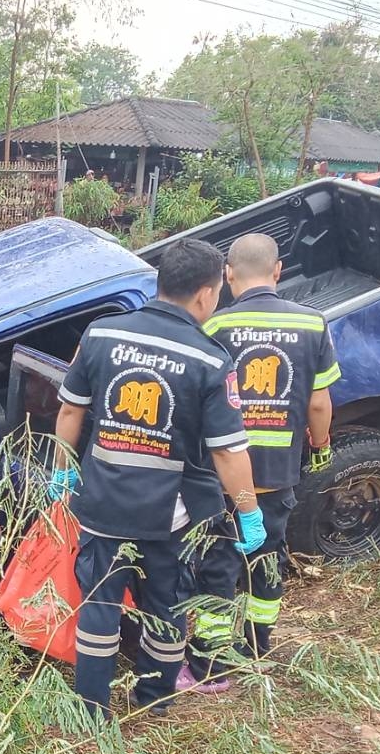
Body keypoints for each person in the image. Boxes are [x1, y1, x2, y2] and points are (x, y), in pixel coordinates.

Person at [50, 239, 265, 717]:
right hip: (169, 516)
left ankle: (91, 709)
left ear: (160, 282)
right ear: (207, 294)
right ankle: (154, 703)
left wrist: (63, 472)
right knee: (165, 608)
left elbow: (69, 409)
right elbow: (228, 453)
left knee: (99, 607)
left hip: (102, 503)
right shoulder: (211, 360)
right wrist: (249, 512)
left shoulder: (101, 334)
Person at [188, 233, 340, 686]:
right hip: (277, 475)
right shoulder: (313, 325)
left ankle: (211, 661)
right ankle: (256, 647)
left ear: (228, 275)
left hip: (221, 478)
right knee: (267, 559)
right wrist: (321, 445)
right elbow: (318, 403)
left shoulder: (215, 328)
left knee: (219, 563)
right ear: (278, 271)